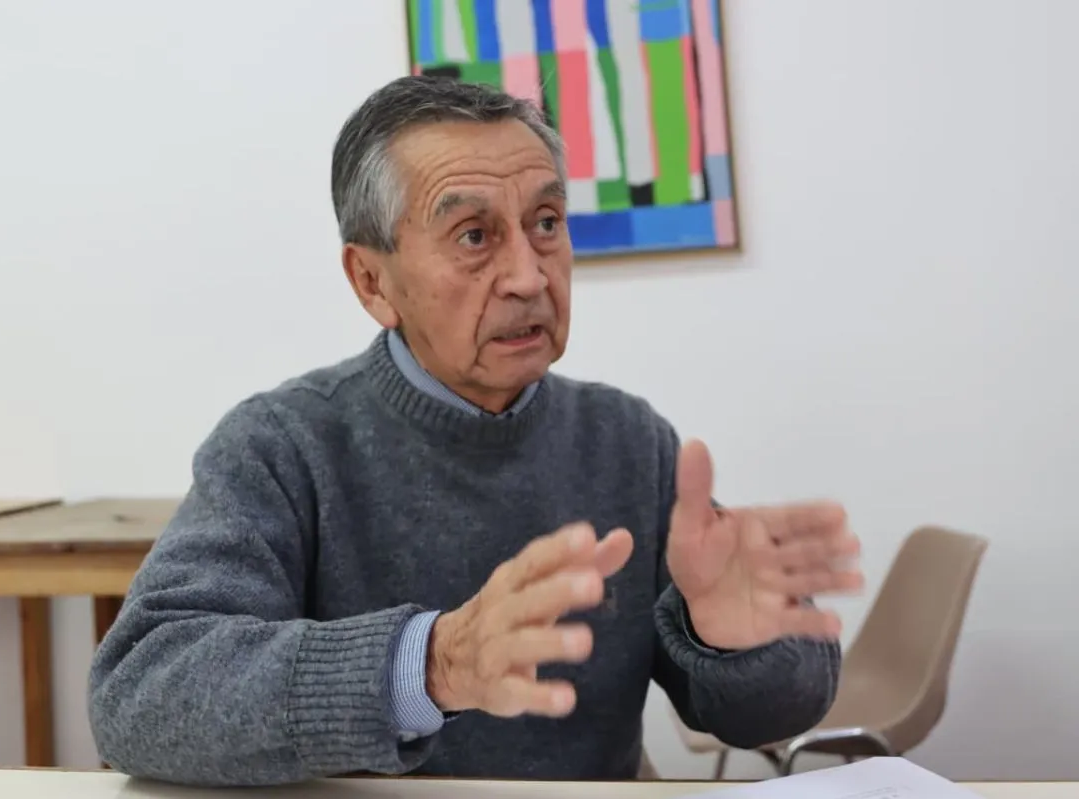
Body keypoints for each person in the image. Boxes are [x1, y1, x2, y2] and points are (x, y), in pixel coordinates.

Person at [87, 76, 863, 787]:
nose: (529, 275)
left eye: (546, 223)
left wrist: (732, 644)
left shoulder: (627, 437)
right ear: (372, 281)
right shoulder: (284, 444)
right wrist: (430, 664)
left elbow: (772, 713)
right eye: (474, 235)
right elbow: (138, 693)